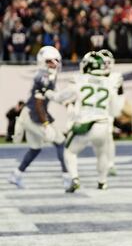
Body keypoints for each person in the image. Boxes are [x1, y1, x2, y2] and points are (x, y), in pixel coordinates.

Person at [7, 46, 70, 189]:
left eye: (56, 60)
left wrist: (67, 103)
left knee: (35, 148)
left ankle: (16, 175)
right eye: (50, 61)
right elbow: (39, 105)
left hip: (29, 114)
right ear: (43, 62)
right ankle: (68, 178)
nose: (55, 63)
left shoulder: (47, 75)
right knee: (61, 142)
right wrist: (46, 124)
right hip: (33, 115)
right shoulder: (44, 77)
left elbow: (53, 95)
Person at [62, 52, 123, 192]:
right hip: (102, 124)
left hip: (85, 123)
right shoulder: (110, 82)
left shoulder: (79, 79)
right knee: (101, 153)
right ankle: (102, 182)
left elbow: (66, 97)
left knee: (69, 152)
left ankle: (74, 178)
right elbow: (115, 111)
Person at [97, 49, 124, 175]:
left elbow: (120, 95)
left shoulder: (116, 77)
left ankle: (110, 164)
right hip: (94, 111)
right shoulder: (94, 76)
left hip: (107, 112)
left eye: (108, 62)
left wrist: (116, 110)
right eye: (104, 62)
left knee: (108, 138)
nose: (106, 65)